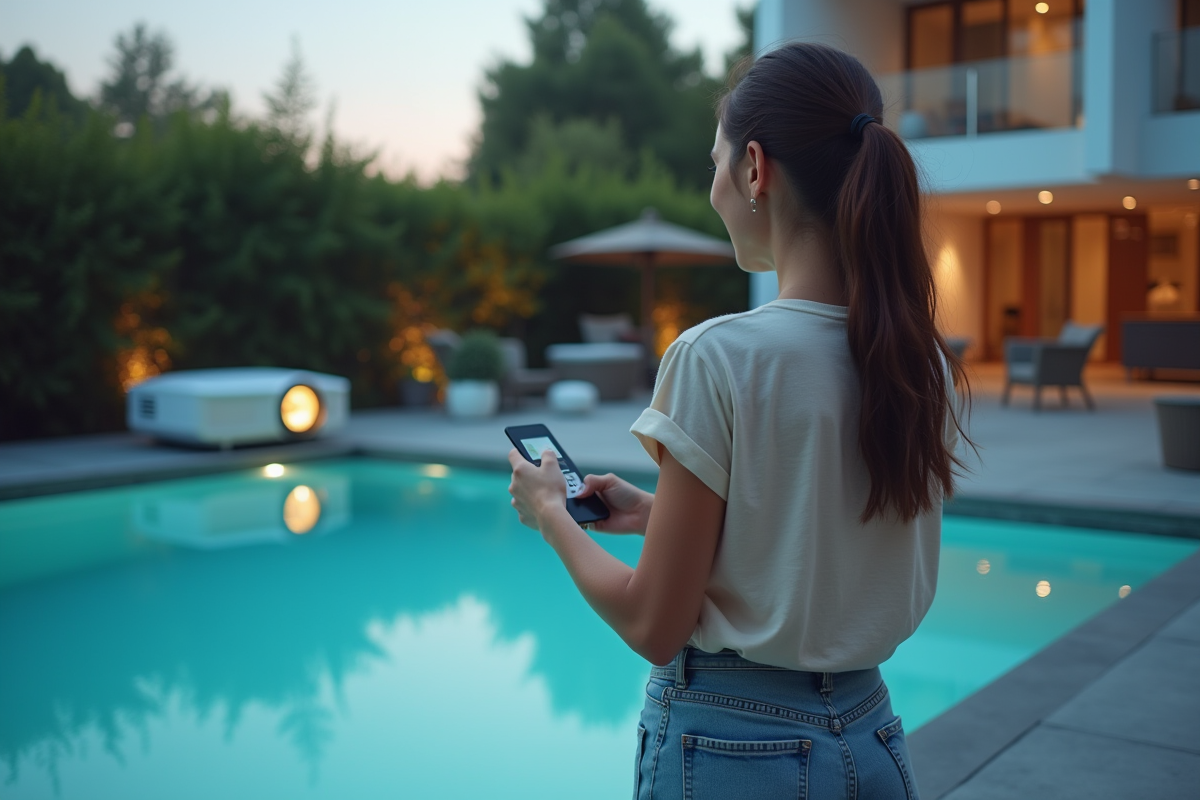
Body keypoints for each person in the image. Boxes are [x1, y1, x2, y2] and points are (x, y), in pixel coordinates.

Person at [507, 41, 968, 800]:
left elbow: (654, 624)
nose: (713, 185)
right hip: (871, 734)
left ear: (756, 169)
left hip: (733, 749)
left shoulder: (716, 356)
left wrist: (553, 513)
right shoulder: (916, 362)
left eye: (715, 161)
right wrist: (660, 516)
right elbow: (816, 531)